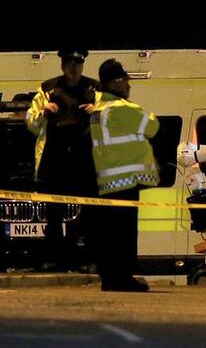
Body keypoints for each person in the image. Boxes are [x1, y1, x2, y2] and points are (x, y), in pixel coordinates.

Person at [87, 58, 160, 292]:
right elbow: (153, 127)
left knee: (109, 233)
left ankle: (110, 278)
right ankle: (122, 278)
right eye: (125, 80)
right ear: (115, 82)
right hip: (125, 178)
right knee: (124, 233)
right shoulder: (122, 108)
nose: (128, 85)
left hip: (107, 179)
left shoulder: (98, 110)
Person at [26, 49, 99, 272]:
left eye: (77, 62)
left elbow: (113, 119)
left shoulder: (94, 88)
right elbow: (31, 123)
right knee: (53, 213)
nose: (73, 66)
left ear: (83, 64)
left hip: (84, 158)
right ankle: (54, 260)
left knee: (90, 211)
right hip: (54, 158)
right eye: (69, 62)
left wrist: (97, 112)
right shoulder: (48, 89)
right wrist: (44, 112)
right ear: (62, 65)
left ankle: (86, 259)